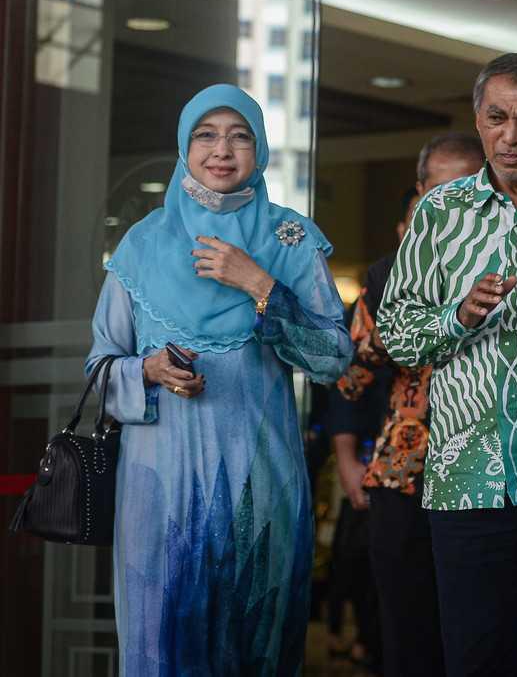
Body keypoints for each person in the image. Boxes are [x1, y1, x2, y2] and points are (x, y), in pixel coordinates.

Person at [86, 84, 353, 675]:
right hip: (159, 486)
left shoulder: (290, 239)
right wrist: (147, 369)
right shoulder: (142, 244)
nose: (222, 150)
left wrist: (259, 284)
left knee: (255, 641)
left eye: (240, 136)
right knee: (163, 642)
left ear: (260, 149)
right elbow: (101, 367)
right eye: (205, 135)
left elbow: (334, 358)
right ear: (185, 146)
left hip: (261, 482)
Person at [379, 54, 517, 677]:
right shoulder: (438, 213)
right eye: (497, 118)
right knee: (478, 655)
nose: (512, 136)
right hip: (466, 467)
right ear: (478, 121)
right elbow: (397, 334)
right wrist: (458, 317)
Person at [332, 135, 484, 677]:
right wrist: (348, 460)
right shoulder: (385, 275)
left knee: (481, 630)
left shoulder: (506, 262)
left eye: (468, 188)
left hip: (487, 470)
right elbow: (350, 381)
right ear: (421, 193)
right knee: (405, 629)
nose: (454, 202)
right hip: (403, 473)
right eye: (441, 189)